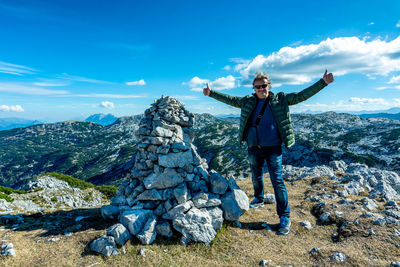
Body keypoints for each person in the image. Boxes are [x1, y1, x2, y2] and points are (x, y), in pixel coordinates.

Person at [203, 70, 334, 235]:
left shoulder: (280, 100)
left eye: (263, 85)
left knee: (277, 180)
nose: (261, 89)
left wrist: (323, 83)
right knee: (255, 175)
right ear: (253, 88)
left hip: (273, 148)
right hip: (253, 146)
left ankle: (284, 217)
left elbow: (302, 95)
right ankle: (259, 198)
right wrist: (211, 93)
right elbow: (229, 100)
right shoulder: (248, 101)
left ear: (269, 85)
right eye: (257, 87)